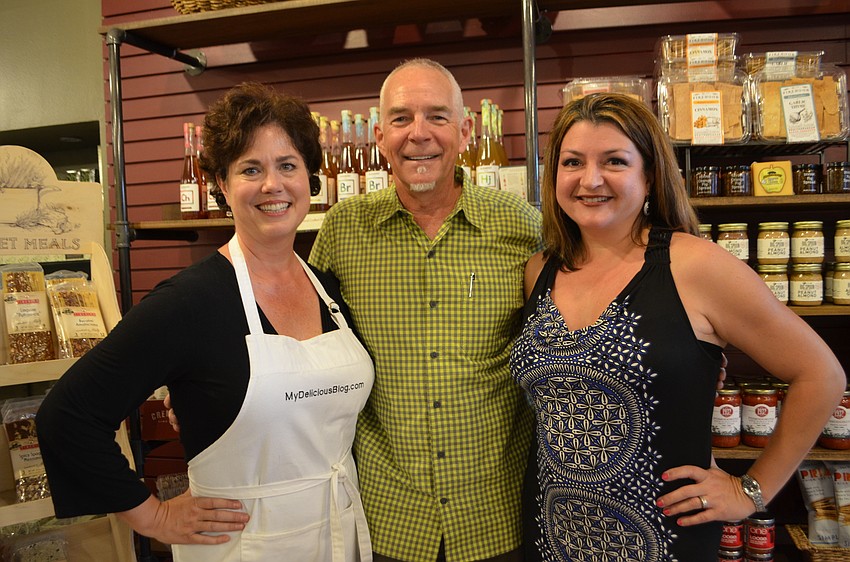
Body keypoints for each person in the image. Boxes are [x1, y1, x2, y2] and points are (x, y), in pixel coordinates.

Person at [36, 82, 375, 562]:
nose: (272, 185)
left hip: (339, 535)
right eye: (250, 169)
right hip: (239, 545)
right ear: (221, 184)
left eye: (287, 166)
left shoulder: (330, 288)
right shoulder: (189, 302)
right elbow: (67, 416)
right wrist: (152, 516)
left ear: (310, 180)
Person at [509, 92, 846, 561]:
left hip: (664, 538)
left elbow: (822, 374)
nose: (590, 179)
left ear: (649, 175)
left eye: (614, 161)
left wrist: (751, 490)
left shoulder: (692, 264)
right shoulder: (539, 271)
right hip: (552, 531)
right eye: (572, 162)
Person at [309, 58, 543, 561]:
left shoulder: (521, 227)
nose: (419, 135)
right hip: (387, 518)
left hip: (495, 518)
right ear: (378, 134)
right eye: (400, 118)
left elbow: (572, 340)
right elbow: (302, 342)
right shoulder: (343, 231)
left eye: (437, 117)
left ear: (464, 131)